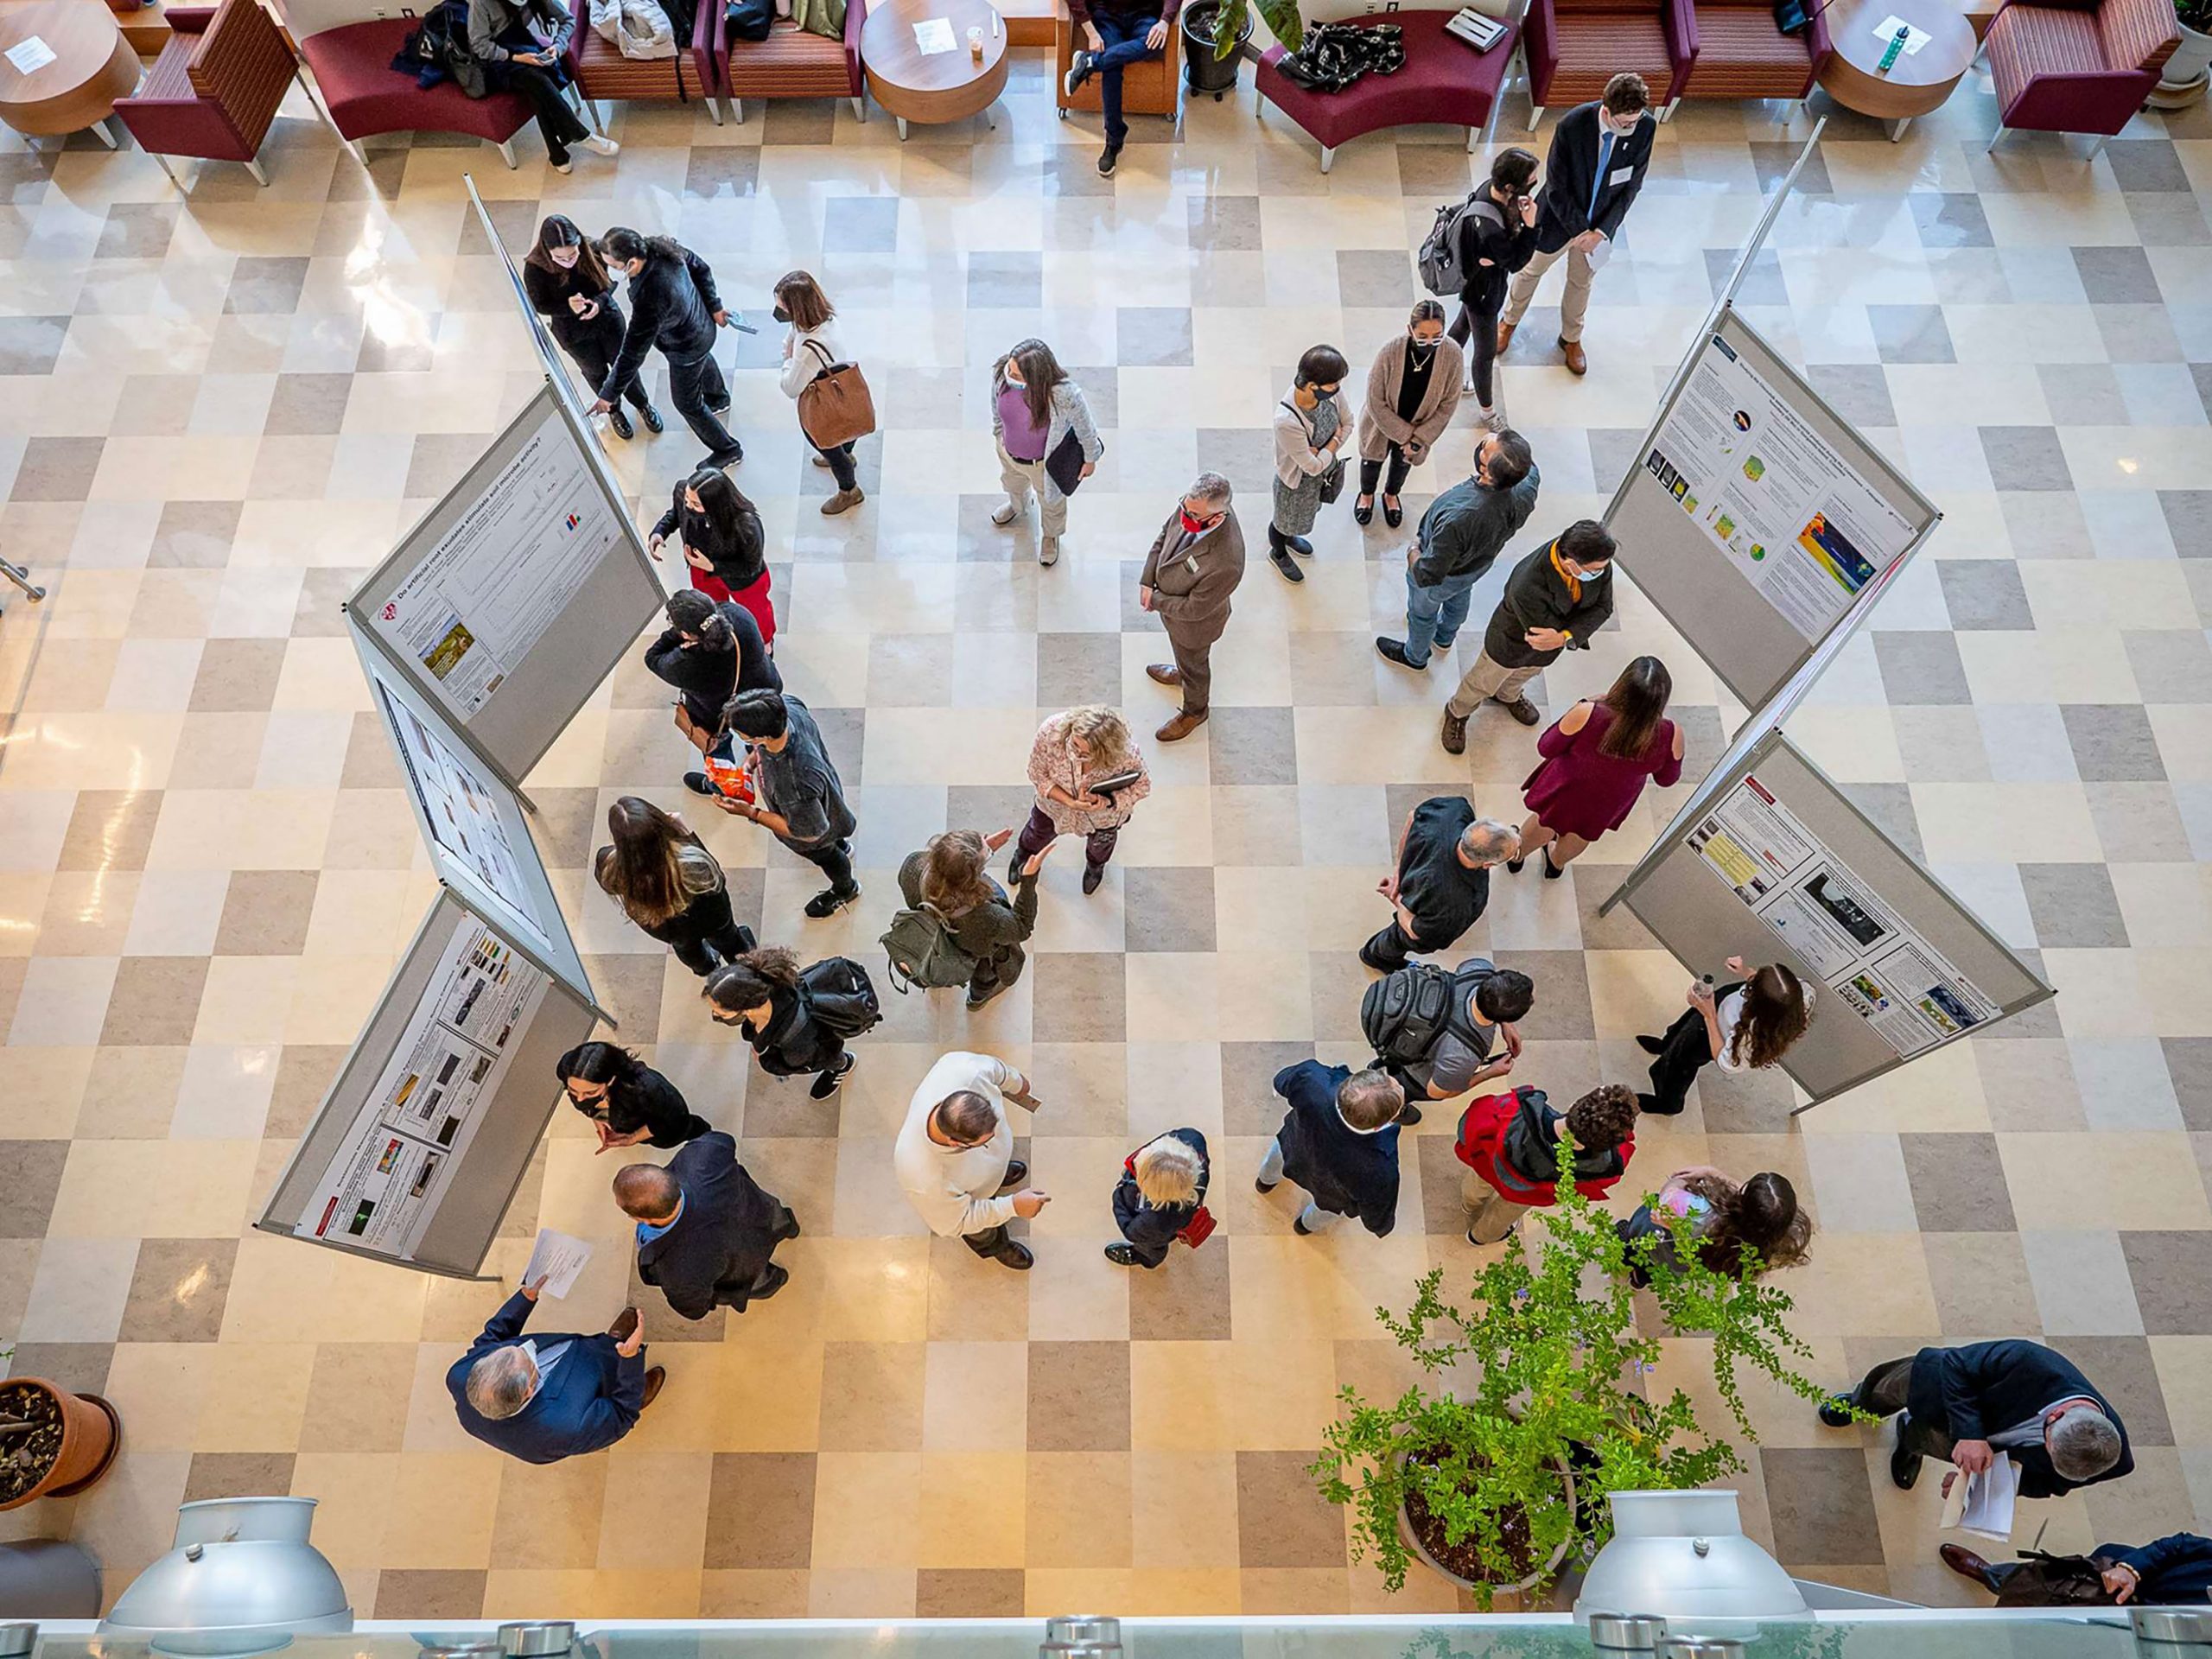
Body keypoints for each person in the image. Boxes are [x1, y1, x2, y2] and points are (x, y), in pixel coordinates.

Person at [1818, 1340, 2133, 1497]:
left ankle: (1910, 1444)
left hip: (1979, 1449)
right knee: (1886, 1388)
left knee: (1927, 1441)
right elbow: (1956, 1363)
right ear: (2056, 1414)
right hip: (1942, 1389)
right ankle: (1859, 1405)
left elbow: (2048, 1484)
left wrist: (1981, 1488)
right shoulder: (2033, 1362)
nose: (2045, 1453)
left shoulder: (2107, 1459)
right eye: (2048, 1446)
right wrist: (1971, 1433)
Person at [1497, 72, 1656, 378]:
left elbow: (1632, 184)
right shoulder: (1572, 125)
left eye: (1636, 121)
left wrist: (1601, 232)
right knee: (1530, 271)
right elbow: (1556, 186)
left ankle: (1571, 337)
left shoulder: (1645, 127)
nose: (1631, 128)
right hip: (1557, 219)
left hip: (1599, 228)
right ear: (1606, 112)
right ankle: (1509, 321)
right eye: (1625, 123)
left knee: (1581, 283)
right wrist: (1580, 231)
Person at [1374, 429, 1540, 673]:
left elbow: (1426, 574)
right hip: (1476, 565)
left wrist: (1413, 550)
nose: (1486, 440)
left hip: (1443, 575)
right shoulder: (1526, 485)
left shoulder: (1460, 517)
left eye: (1486, 449)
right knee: (1460, 594)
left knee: (1422, 614)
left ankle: (1415, 656)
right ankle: (1445, 636)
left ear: (1487, 471)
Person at [1444, 519, 1619, 746]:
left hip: (1547, 648)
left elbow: (1604, 608)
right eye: (1594, 569)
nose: (1602, 572)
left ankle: (1508, 696)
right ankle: (1457, 712)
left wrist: (1564, 637)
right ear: (1571, 562)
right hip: (1512, 641)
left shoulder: (1597, 564)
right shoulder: (1527, 582)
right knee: (1483, 681)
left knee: (1525, 673)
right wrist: (1565, 634)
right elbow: (1544, 631)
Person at [447, 1279, 658, 1464]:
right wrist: (630, 1361)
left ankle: (609, 1343)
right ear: (528, 1391)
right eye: (530, 1360)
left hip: (584, 1354)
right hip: (599, 1386)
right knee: (625, 1394)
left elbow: (491, 1339)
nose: (528, 1346)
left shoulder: (460, 1373)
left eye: (516, 1347)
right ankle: (637, 1390)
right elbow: (621, 1416)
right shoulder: (568, 1427)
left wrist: (524, 1299)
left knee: (601, 1348)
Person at [1506, 654, 1682, 871]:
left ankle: (1517, 855)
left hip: (1567, 785)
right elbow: (1666, 779)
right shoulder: (1671, 733)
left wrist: (1582, 704)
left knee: (1546, 820)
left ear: (1622, 686)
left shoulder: (1589, 713)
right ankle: (1556, 863)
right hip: (1612, 798)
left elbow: (1546, 747)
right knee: (1582, 833)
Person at [698, 689, 860, 918]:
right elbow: (760, 748)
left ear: (761, 737)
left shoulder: (792, 781)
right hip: (827, 796)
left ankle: (846, 888)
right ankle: (840, 841)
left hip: (811, 824)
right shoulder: (788, 706)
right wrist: (747, 767)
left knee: (826, 854)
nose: (740, 738)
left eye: (741, 734)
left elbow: (809, 833)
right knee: (832, 824)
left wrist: (751, 812)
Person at [592, 228, 742, 470]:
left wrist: (609, 393)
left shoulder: (651, 296)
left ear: (631, 262)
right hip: (702, 324)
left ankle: (728, 450)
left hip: (686, 346)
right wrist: (714, 307)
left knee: (686, 403)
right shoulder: (661, 249)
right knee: (704, 359)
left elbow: (632, 352)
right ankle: (718, 398)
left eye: (613, 265)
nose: (610, 270)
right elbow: (700, 268)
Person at [615, 1130, 800, 1319]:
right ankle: (791, 1228)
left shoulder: (677, 1272)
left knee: (760, 1282)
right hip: (761, 1213)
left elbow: (695, 1309)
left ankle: (776, 1280)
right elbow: (722, 1139)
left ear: (643, 1219)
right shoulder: (703, 1158)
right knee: (781, 1221)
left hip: (739, 1270)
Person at [895, 1050, 1050, 1270]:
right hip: (968, 1200)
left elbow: (996, 1069)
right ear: (956, 1143)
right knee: (982, 1233)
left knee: (990, 1168)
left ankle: (995, 1175)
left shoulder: (965, 1072)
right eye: (986, 1141)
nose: (997, 1136)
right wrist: (1011, 1206)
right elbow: (958, 1223)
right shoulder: (926, 1180)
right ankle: (998, 1246)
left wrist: (1015, 1082)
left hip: (980, 1173)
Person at [523, 217, 658, 439]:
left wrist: (599, 302)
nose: (568, 261)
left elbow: (611, 280)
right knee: (596, 373)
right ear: (548, 251)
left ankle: (643, 404)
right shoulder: (536, 268)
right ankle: (614, 411)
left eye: (573, 254)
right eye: (560, 258)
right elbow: (539, 304)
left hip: (607, 321)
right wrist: (568, 306)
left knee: (623, 366)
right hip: (573, 334)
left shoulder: (594, 250)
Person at [1454, 1081, 1637, 1245]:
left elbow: (1474, 1122)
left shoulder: (1518, 1109)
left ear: (1573, 1104)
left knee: (1477, 1185)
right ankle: (1480, 1237)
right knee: (1503, 1215)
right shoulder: (1605, 1167)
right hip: (1526, 1194)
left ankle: (1469, 1205)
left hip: (1490, 1166)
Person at [593, 797, 754, 978]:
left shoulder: (609, 866)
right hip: (712, 915)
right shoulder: (691, 860)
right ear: (660, 824)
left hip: (666, 928)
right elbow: (716, 879)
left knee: (688, 950)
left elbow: (609, 885)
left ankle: (709, 969)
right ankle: (745, 968)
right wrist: (684, 832)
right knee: (728, 938)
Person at [1140, 473, 1246, 742]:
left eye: (1193, 513)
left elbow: (1194, 609)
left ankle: (1195, 710)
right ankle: (1182, 673)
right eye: (1184, 507)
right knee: (1184, 658)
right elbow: (1165, 534)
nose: (1184, 515)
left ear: (1218, 517)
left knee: (1195, 664)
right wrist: (1146, 579)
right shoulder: (1193, 507)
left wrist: (1156, 600)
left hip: (1195, 626)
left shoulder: (1226, 561)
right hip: (1173, 612)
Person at [1635, 957, 1811, 1117]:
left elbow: (1727, 1062)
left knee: (1679, 1064)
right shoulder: (1794, 993)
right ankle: (1666, 1045)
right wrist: (1744, 971)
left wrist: (1709, 1015)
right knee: (1682, 1027)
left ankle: (1669, 1103)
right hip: (1720, 1007)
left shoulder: (1753, 1037)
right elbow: (1767, 985)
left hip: (1712, 1035)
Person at [1362, 796, 1518, 974]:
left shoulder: (1453, 811)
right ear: (1487, 865)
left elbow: (1413, 817)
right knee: (1397, 938)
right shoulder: (1455, 902)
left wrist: (1399, 872)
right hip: (1418, 909)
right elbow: (1414, 932)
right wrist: (1399, 901)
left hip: (1418, 880)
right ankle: (1376, 957)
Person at [898, 830, 1050, 1011]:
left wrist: (981, 853)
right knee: (985, 978)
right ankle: (977, 998)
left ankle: (938, 979)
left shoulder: (913, 865)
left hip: (932, 937)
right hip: (976, 955)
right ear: (970, 877)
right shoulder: (987, 917)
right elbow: (1022, 928)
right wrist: (1028, 880)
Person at [1257, 1059, 1407, 1236]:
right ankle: (1303, 1227)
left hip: (1292, 1146)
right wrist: (1381, 1226)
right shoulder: (1382, 1169)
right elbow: (1376, 1218)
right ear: (1378, 1126)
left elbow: (1281, 1081)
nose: (1402, 1087)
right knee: (1324, 1212)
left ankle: (1264, 1183)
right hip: (1332, 1194)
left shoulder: (1313, 1079)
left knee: (1275, 1159)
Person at [465, 0, 616, 175]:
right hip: (495, 61)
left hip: (523, 46)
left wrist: (557, 47)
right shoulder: (482, 3)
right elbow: (479, 46)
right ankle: (579, 134)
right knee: (536, 78)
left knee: (537, 84)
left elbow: (568, 20)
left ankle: (557, 154)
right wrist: (516, 58)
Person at [1012, 705, 1151, 895]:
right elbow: (1038, 773)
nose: (1075, 755)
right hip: (1054, 806)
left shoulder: (1126, 755)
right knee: (1036, 832)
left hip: (1103, 817)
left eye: (1085, 754)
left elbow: (1143, 786)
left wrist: (1109, 800)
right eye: (1074, 744)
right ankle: (1024, 853)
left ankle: (1095, 866)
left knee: (1101, 845)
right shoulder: (1051, 732)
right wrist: (1070, 801)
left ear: (1105, 752)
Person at [989, 338, 1103, 567]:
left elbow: (1086, 428)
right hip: (1009, 453)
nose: (1011, 377)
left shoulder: (1064, 395)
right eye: (1010, 370)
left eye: (1018, 375)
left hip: (1042, 464)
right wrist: (998, 432)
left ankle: (1051, 536)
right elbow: (995, 405)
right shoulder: (1002, 375)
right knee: (1012, 484)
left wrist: (1090, 459)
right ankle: (1018, 506)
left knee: (1051, 502)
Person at [1449, 146, 1541, 425]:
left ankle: (1438, 371)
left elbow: (1503, 259)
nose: (1534, 187)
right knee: (1486, 353)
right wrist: (1531, 227)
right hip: (1483, 292)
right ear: (1512, 187)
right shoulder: (1490, 229)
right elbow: (1515, 262)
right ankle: (1487, 411)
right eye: (1531, 183)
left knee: (1463, 326)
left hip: (1477, 282)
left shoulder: (1489, 189)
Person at [1355, 300, 1464, 530]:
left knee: (1402, 464)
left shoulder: (1452, 354)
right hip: (1382, 424)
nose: (1429, 341)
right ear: (1410, 330)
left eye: (1437, 335)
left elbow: (1448, 404)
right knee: (1371, 461)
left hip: (1420, 427)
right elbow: (1376, 400)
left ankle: (1391, 495)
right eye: (1422, 335)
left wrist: (1418, 440)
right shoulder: (1390, 352)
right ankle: (1366, 494)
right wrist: (1406, 436)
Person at [1376, 956, 1534, 1112]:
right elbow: (1436, 1092)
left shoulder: (1480, 969)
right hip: (1415, 1071)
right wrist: (1490, 1072)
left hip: (1393, 1017)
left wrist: (1505, 1024)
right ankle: (1393, 1106)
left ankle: (1380, 1067)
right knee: (1403, 1090)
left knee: (1390, 1060)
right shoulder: (1463, 1055)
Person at [703, 947, 859, 1101]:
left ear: (747, 1007)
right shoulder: (767, 983)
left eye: (720, 1013)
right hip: (811, 1028)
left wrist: (766, 1062)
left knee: (832, 1059)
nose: (715, 1015)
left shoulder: (794, 1038)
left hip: (821, 1047)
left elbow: (799, 1064)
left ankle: (843, 1065)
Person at [1616, 1166, 1811, 1286]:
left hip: (1662, 1242)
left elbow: (1668, 1196)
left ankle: (1628, 1257)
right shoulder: (1784, 1235)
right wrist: (1714, 1173)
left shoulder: (1699, 1212)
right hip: (1691, 1262)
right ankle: (1640, 1279)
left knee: (1637, 1249)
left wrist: (1684, 1179)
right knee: (1663, 1269)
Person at [645, 589, 779, 760]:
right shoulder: (739, 614)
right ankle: (762, 755)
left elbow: (652, 657)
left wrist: (679, 638)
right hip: (763, 690)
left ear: (685, 633)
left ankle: (721, 783)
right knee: (763, 731)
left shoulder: (684, 664)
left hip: (716, 713)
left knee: (717, 748)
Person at [773, 270, 865, 517]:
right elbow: (795, 333)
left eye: (782, 306)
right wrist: (792, 344)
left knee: (830, 449)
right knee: (846, 430)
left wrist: (787, 359)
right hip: (841, 388)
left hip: (822, 403)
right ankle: (845, 452)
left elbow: (791, 387)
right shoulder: (826, 318)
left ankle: (849, 489)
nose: (778, 311)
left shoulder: (807, 352)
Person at [647, 469, 774, 646]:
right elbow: (676, 514)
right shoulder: (683, 491)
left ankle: (765, 642)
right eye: (687, 501)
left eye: (696, 504)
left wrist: (714, 567)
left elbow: (751, 566)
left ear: (716, 504)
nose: (689, 507)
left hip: (740, 578)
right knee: (711, 607)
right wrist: (660, 531)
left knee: (756, 612)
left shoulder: (745, 524)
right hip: (700, 568)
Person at [1268, 344, 1351, 582]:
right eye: (1333, 385)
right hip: (1295, 484)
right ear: (1313, 385)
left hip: (1317, 479)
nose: (1337, 389)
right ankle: (1278, 552)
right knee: (1283, 521)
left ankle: (1290, 537)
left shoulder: (1331, 390)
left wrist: (1321, 451)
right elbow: (1311, 466)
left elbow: (1349, 422)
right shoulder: (1286, 420)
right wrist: (1334, 441)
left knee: (1301, 517)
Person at [1940, 1533, 2212, 1605]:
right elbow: (2179, 1545)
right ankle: (1994, 1576)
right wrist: (2131, 1569)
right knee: (2044, 1582)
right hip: (2131, 1583)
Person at [1061, 0, 1173, 176]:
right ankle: (1114, 139)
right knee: (1111, 70)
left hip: (1145, 15)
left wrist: (1166, 20)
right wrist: (1091, 32)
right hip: (1107, 16)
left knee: (1153, 43)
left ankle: (1089, 63)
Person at [556, 1042, 709, 1152]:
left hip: (666, 1130)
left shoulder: (646, 1090)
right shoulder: (569, 1073)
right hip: (633, 1124)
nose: (580, 1099)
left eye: (591, 1093)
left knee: (688, 1131)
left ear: (610, 1080)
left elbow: (671, 1119)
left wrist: (634, 1137)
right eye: (573, 1091)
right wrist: (598, 1119)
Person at [1108, 1128, 1209, 1268]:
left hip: (1159, 1231)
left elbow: (1131, 1232)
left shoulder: (1156, 1221)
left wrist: (1118, 1196)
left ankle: (1146, 1259)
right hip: (1177, 1219)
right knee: (1164, 1232)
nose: (1135, 1160)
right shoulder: (1193, 1139)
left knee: (1151, 1246)